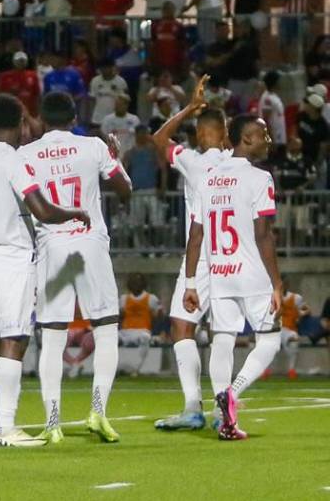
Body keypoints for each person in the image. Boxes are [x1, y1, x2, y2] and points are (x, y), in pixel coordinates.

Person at [0, 95, 89, 449]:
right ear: (19, 123)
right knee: (15, 338)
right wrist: (74, 212)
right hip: (11, 255)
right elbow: (39, 208)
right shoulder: (13, 159)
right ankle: (4, 427)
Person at [20, 91, 132, 444]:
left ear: (42, 119)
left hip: (52, 247)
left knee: (52, 338)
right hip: (90, 244)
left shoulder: (26, 154)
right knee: (105, 330)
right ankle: (98, 411)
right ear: (73, 119)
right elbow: (125, 189)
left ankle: (53, 422)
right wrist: (118, 157)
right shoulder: (93, 146)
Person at [182, 115, 284, 441]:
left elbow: (195, 236)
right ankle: (233, 393)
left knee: (222, 340)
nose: (268, 139)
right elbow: (264, 234)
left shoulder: (207, 180)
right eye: (263, 134)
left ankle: (224, 418)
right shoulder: (260, 178)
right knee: (270, 340)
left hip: (219, 274)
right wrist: (277, 282)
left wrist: (190, 283)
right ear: (246, 139)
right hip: (253, 275)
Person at [151, 75, 230, 430]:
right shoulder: (235, 161)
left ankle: (193, 408)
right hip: (232, 258)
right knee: (223, 333)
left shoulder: (192, 161)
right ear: (226, 135)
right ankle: (223, 409)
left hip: (199, 258)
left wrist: (188, 108)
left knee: (182, 327)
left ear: (200, 135)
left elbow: (159, 139)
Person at [119, 274, 161, 376]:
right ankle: (114, 367)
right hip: (125, 331)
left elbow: (157, 317)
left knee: (145, 337)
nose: (136, 285)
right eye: (134, 282)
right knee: (110, 337)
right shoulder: (124, 299)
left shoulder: (151, 298)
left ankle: (136, 368)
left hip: (142, 331)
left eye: (138, 282)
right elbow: (119, 316)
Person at [278, 282, 311, 379]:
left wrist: (300, 314)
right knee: (265, 343)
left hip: (290, 329)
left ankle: (291, 370)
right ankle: (264, 371)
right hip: (276, 330)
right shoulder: (273, 297)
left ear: (286, 286)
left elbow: (307, 309)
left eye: (283, 285)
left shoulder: (296, 298)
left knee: (294, 340)